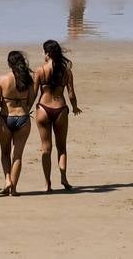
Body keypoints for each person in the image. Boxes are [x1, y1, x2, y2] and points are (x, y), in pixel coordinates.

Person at [34, 39, 81, 192]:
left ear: (47, 53)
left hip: (43, 109)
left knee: (46, 149)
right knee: (62, 147)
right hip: (61, 109)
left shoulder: (40, 71)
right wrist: (74, 107)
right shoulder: (66, 71)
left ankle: (47, 183)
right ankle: (63, 177)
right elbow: (71, 94)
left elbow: (34, 94)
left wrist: (26, 109)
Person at [0, 50, 37, 196]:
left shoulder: (2, 79)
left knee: (5, 153)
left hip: (6, 118)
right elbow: (31, 100)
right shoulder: (28, 79)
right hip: (23, 118)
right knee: (17, 156)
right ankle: (14, 188)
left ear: (9, 63)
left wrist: (7, 102)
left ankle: (7, 179)